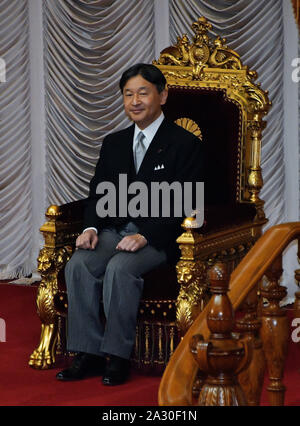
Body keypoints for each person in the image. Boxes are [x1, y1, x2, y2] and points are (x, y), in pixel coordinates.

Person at [56, 63, 204, 385]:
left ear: (162, 95)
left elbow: (187, 203)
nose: (135, 101)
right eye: (128, 94)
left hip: (159, 236)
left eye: (143, 93)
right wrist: (90, 228)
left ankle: (117, 357)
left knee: (120, 268)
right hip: (113, 230)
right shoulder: (114, 143)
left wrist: (146, 235)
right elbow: (98, 192)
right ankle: (88, 353)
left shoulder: (184, 144)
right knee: (80, 264)